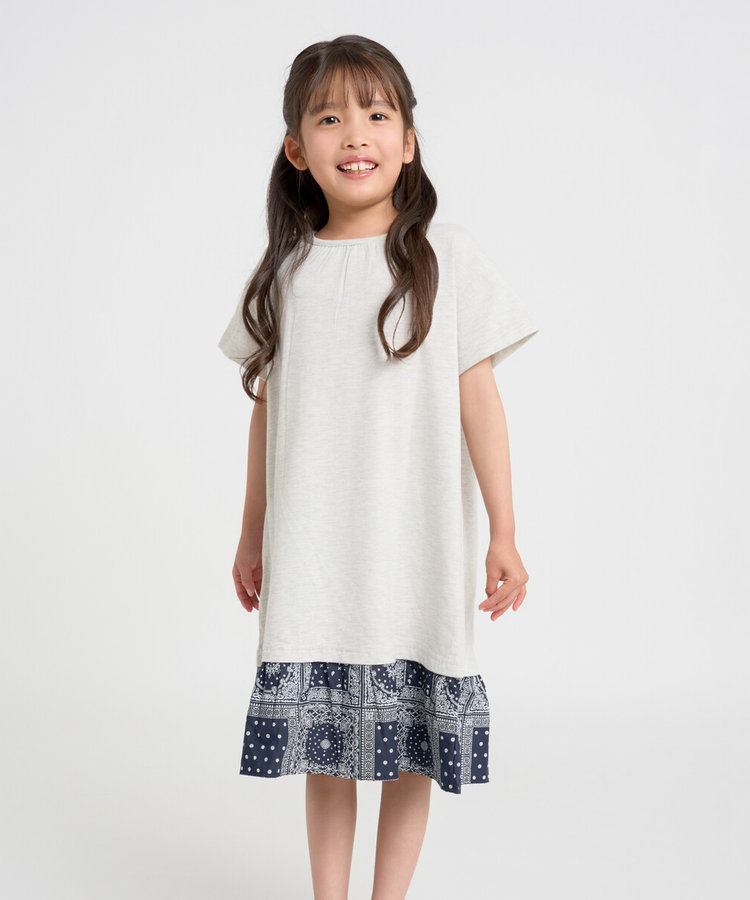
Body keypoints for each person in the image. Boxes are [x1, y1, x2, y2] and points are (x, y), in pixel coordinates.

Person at [217, 34, 540, 900]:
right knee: (327, 758)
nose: (355, 134)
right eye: (329, 118)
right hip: (317, 557)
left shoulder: (445, 258)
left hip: (415, 548)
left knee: (409, 753)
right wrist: (250, 534)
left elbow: (480, 401)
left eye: (376, 113)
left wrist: (505, 531)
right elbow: (267, 414)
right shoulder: (285, 274)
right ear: (297, 150)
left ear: (408, 141)